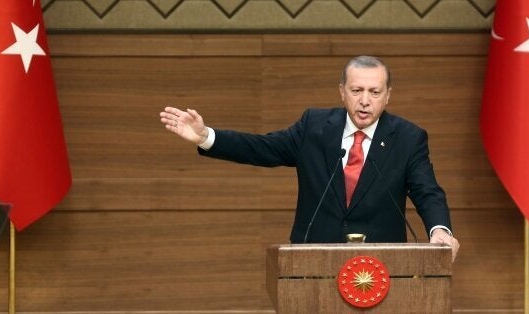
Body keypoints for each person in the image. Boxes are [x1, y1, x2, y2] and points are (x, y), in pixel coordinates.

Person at [159, 56, 459, 261]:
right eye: (356, 90)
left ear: (388, 95)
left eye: (374, 91)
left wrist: (440, 230)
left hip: (384, 263)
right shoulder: (314, 127)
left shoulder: (408, 137)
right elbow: (263, 148)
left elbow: (426, 190)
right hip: (313, 258)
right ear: (342, 92)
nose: (365, 100)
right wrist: (205, 137)